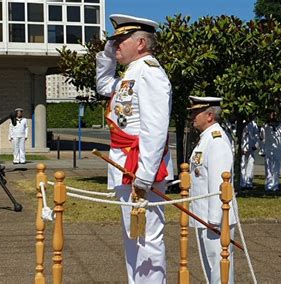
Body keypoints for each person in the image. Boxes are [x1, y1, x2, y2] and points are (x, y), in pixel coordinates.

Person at [95, 14, 173, 283]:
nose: (115, 45)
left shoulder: (150, 73)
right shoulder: (132, 73)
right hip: (126, 164)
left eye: (120, 40)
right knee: (133, 237)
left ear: (140, 43)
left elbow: (155, 130)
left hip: (140, 168)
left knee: (147, 239)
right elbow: (104, 85)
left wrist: (145, 176)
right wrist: (106, 54)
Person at [188, 96, 237, 283]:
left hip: (214, 219)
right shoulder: (206, 139)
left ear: (209, 116)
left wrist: (215, 221)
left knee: (219, 269)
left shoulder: (216, 141)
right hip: (204, 216)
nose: (192, 116)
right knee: (211, 268)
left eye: (195, 112)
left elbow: (219, 183)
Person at [259, 111, 281, 191]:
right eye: (272, 114)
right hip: (268, 149)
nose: (273, 116)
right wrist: (262, 150)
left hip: (277, 149)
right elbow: (262, 139)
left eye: (275, 114)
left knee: (276, 168)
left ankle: (275, 185)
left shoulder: (280, 127)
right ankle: (269, 185)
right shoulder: (265, 126)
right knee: (268, 168)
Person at [240, 119, 259, 189]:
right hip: (242, 148)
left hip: (251, 147)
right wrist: (241, 147)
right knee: (242, 165)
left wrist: (255, 145)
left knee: (251, 164)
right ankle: (242, 182)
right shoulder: (240, 123)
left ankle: (249, 182)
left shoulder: (253, 124)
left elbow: (256, 135)